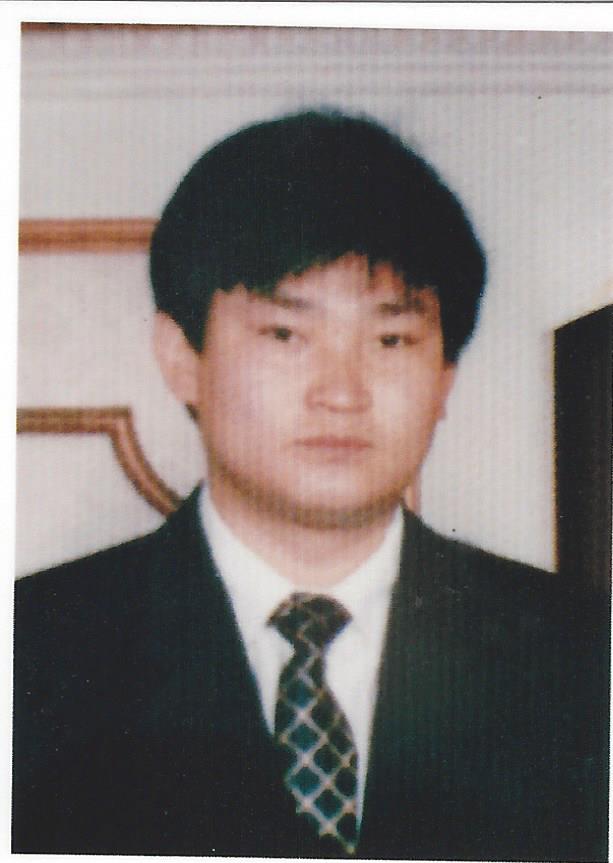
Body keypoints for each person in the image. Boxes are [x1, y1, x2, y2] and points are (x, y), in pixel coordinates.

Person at [12, 110, 608, 859]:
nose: (342, 392)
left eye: (391, 339)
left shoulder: (584, 659)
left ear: (445, 377)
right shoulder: (31, 653)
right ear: (181, 357)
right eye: (285, 334)